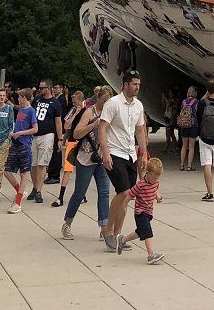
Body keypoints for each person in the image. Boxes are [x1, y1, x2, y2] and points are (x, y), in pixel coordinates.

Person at [98, 70, 149, 252]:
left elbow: (140, 130)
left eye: (139, 85)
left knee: (127, 196)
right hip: (114, 152)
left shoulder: (138, 106)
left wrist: (143, 154)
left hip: (130, 154)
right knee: (123, 191)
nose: (137, 88)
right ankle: (108, 229)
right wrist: (105, 153)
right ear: (126, 84)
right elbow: (102, 128)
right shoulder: (113, 104)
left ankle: (118, 235)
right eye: (134, 84)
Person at [61, 85, 115, 242]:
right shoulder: (89, 112)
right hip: (86, 157)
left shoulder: (109, 113)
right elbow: (76, 133)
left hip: (102, 157)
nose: (106, 104)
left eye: (109, 101)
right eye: (104, 101)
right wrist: (93, 124)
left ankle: (104, 227)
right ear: (98, 98)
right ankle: (67, 222)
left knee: (104, 192)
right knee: (79, 192)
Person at [116, 156, 164, 264]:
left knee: (140, 232)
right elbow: (130, 195)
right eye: (154, 178)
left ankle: (122, 240)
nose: (155, 180)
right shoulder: (141, 185)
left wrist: (157, 197)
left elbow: (155, 189)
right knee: (147, 232)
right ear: (147, 173)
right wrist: (124, 205)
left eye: (157, 178)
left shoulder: (155, 182)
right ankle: (151, 254)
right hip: (140, 212)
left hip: (149, 211)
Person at [28, 80, 64, 204]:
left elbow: (58, 122)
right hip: (34, 133)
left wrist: (60, 138)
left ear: (48, 88)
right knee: (33, 164)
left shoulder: (55, 103)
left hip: (47, 134)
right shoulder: (37, 100)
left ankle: (38, 190)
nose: (40, 90)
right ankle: (35, 186)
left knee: (42, 163)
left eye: (42, 88)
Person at [3, 89, 37, 213]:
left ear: (24, 97)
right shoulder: (21, 110)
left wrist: (21, 133)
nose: (18, 99)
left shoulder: (31, 111)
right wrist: (13, 133)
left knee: (23, 174)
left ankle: (18, 203)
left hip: (24, 144)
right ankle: (20, 192)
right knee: (7, 171)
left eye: (19, 97)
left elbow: (35, 129)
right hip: (15, 142)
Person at [50, 90, 85, 207]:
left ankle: (81, 193)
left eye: (76, 102)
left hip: (82, 143)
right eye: (73, 102)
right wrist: (75, 113)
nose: (74, 104)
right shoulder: (73, 110)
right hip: (72, 141)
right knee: (67, 169)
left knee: (81, 169)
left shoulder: (87, 111)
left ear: (81, 101)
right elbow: (65, 125)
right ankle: (61, 196)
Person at [176, 85, 199, 172]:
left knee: (184, 146)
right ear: (195, 93)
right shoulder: (196, 102)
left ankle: (182, 165)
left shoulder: (183, 102)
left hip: (184, 126)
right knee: (191, 147)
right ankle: (189, 166)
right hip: (193, 125)